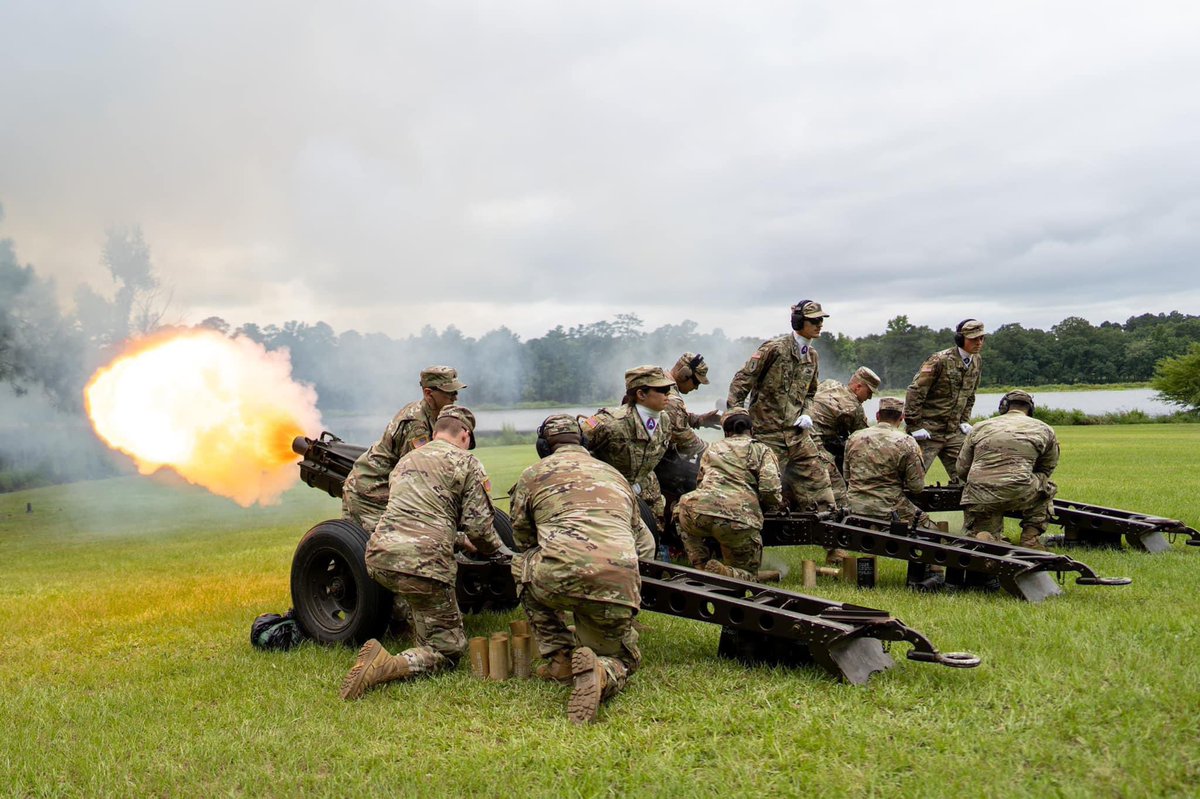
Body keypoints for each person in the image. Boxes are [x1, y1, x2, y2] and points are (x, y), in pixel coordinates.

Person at [340, 405, 508, 700]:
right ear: (466, 435)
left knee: (421, 606)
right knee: (450, 648)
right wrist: (502, 554)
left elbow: (417, 515)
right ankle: (384, 664)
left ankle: (409, 627)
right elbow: (480, 529)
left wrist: (456, 540)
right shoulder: (467, 463)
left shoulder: (405, 462)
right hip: (423, 565)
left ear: (434, 433)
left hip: (380, 558)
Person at [509, 414, 656, 724]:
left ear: (543, 447)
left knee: (522, 563)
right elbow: (642, 541)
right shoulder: (615, 475)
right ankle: (603, 672)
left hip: (558, 581)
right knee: (623, 659)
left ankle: (561, 659)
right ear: (584, 442)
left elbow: (521, 537)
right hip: (619, 584)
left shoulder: (532, 475)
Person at [726, 300, 836, 514]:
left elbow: (810, 393)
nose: (819, 324)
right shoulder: (774, 349)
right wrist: (737, 420)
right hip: (768, 435)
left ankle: (832, 541)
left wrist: (806, 414)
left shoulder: (812, 356)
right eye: (814, 320)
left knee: (819, 484)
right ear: (798, 322)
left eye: (821, 320)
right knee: (758, 492)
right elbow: (742, 381)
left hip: (797, 435)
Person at [341, 366, 468, 533]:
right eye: (449, 393)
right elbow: (418, 478)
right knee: (385, 550)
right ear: (428, 394)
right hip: (371, 493)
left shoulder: (435, 416)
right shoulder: (415, 425)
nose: (455, 397)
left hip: (388, 487)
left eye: (456, 392)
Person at [674, 408, 783, 582]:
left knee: (679, 511)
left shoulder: (712, 448)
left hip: (696, 511)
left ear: (726, 432)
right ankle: (726, 574)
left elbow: (700, 482)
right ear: (752, 430)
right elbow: (770, 489)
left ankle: (700, 566)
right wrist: (770, 507)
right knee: (748, 575)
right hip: (737, 517)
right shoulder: (762, 450)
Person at [956, 390, 1059, 549]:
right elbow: (1047, 468)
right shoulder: (1044, 429)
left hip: (978, 494)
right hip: (1019, 490)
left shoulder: (979, 427)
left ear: (1004, 407)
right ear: (1030, 409)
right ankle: (1030, 539)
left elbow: (962, 469)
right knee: (1047, 486)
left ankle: (987, 535)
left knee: (985, 516)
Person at [583, 365, 677, 523]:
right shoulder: (610, 422)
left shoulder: (665, 420)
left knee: (653, 541)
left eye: (668, 389)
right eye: (662, 390)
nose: (668, 394)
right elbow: (572, 445)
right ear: (641, 394)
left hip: (647, 495)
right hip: (609, 497)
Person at [904, 320, 985, 482]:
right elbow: (915, 391)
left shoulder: (976, 361)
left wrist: (964, 420)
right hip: (927, 432)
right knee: (911, 482)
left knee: (972, 480)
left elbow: (970, 394)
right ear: (960, 339)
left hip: (954, 432)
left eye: (981, 339)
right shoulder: (939, 360)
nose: (979, 343)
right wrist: (914, 425)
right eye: (974, 339)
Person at [843, 397, 928, 525]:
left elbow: (847, 476)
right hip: (889, 507)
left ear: (877, 415)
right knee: (926, 526)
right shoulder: (907, 442)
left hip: (854, 506)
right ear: (902, 417)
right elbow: (917, 487)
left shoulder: (854, 437)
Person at [808, 366, 880, 507]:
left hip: (797, 436)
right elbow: (864, 439)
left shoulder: (829, 384)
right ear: (858, 387)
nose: (870, 397)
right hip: (813, 446)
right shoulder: (853, 407)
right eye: (869, 392)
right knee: (838, 489)